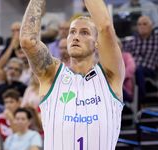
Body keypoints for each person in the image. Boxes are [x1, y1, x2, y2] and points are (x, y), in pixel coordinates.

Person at [20, 0, 125, 149]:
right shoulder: (52, 75)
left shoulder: (110, 75)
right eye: (72, 32)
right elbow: (27, 41)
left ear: (97, 43)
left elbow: (105, 26)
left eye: (84, 32)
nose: (75, 37)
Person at [123, 15, 158, 104]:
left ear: (151, 26)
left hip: (150, 70)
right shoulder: (131, 42)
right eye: (139, 24)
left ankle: (142, 101)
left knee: (138, 70)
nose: (142, 26)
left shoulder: (156, 40)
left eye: (145, 24)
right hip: (132, 71)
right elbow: (123, 57)